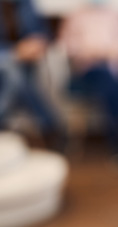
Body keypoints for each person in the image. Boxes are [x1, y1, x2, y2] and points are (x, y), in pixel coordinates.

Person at [59, 0, 118, 159]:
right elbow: (67, 44)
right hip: (89, 69)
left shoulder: (116, 14)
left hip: (115, 69)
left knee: (113, 84)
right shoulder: (76, 16)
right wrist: (89, 51)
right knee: (112, 82)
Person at [0, 0, 67, 151]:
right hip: (5, 64)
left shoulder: (26, 4)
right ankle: (51, 127)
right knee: (14, 74)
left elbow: (43, 31)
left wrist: (38, 42)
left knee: (18, 77)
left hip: (26, 65)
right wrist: (14, 53)